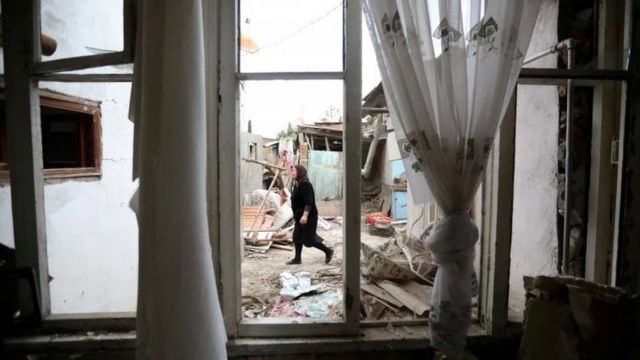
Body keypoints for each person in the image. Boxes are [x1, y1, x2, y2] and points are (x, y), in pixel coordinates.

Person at [287, 164, 334, 265]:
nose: (292, 173)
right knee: (297, 237)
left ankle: (328, 251)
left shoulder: (305, 184)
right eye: (292, 171)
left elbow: (309, 202)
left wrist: (305, 216)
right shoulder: (297, 183)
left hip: (308, 216)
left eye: (294, 171)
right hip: (299, 216)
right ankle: (297, 259)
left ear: (300, 172)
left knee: (309, 239)